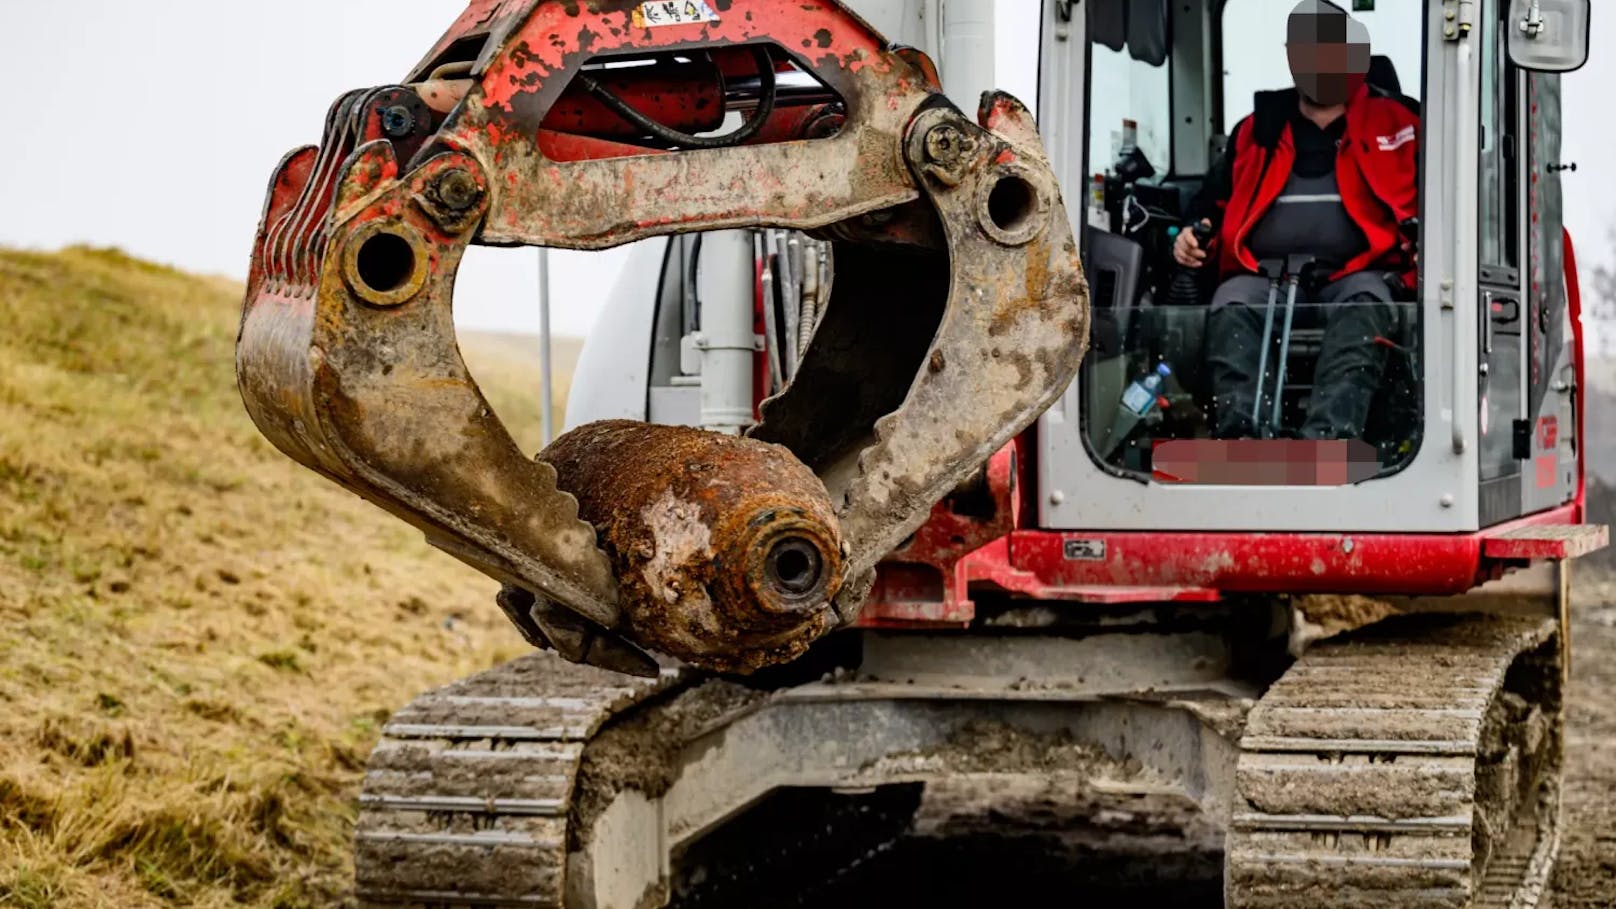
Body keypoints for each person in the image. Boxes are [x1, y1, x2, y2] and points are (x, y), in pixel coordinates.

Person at [1173, 0, 1418, 440]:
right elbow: (1211, 203)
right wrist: (1191, 234)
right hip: (1262, 278)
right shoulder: (1254, 132)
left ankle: (1327, 442)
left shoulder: (1402, 124)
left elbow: (1439, 201)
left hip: (1358, 275)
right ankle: (1242, 444)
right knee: (1231, 303)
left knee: (1366, 302)